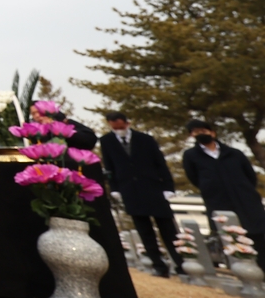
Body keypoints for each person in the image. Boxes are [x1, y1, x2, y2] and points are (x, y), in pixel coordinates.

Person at [99, 111, 182, 278]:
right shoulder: (106, 141)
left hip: (153, 187)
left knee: (167, 228)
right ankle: (158, 264)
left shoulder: (145, 139)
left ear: (126, 122)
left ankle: (180, 263)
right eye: (114, 125)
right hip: (130, 189)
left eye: (120, 124)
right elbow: (109, 166)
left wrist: (168, 187)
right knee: (144, 230)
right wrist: (114, 188)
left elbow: (160, 163)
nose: (118, 128)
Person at [183, 119, 265, 271]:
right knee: (230, 238)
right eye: (196, 132)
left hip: (246, 201)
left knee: (258, 236)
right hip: (219, 202)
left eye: (204, 131)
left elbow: (250, 176)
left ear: (212, 132)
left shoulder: (234, 153)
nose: (201, 134)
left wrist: (244, 190)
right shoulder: (191, 156)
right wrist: (210, 188)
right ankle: (243, 273)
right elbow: (194, 178)